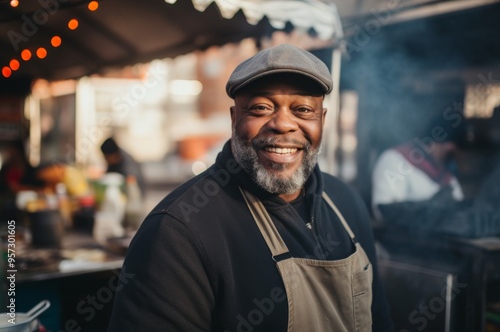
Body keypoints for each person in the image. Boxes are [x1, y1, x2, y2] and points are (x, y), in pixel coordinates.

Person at [107, 44, 393, 331]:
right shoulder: (178, 232)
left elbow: (379, 319)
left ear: (322, 120)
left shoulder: (346, 203)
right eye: (261, 108)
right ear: (234, 119)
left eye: (303, 109)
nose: (283, 124)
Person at [371, 128, 464, 221]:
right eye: (447, 150)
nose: (450, 157)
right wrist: (431, 209)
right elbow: (386, 212)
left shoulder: (448, 176)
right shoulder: (395, 160)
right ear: (433, 144)